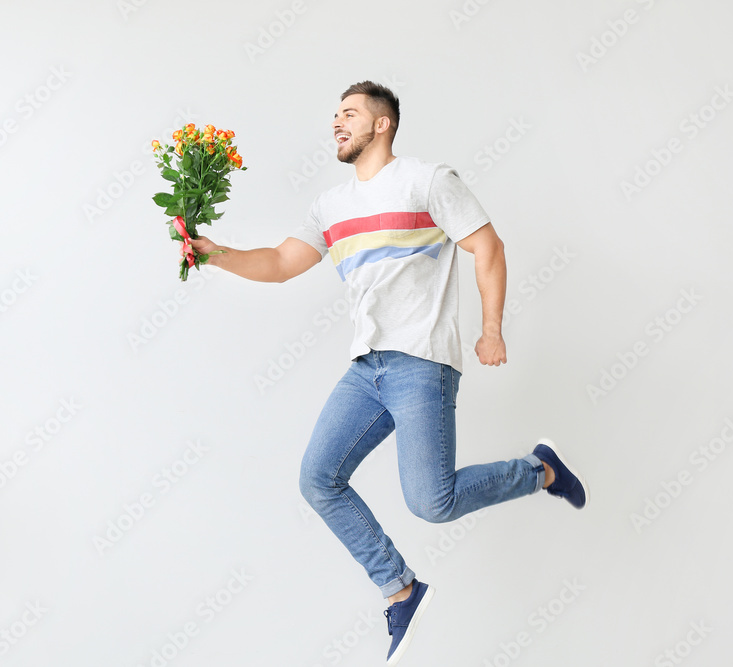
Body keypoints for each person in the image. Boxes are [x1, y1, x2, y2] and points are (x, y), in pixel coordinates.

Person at [190, 81, 589, 666]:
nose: (337, 123)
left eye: (349, 114)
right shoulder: (329, 207)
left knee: (432, 502)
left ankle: (541, 471)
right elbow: (279, 264)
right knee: (318, 478)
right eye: (334, 115)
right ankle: (401, 590)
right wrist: (214, 251)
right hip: (366, 367)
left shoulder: (428, 182)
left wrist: (492, 328)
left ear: (382, 124)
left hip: (422, 362)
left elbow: (489, 247)